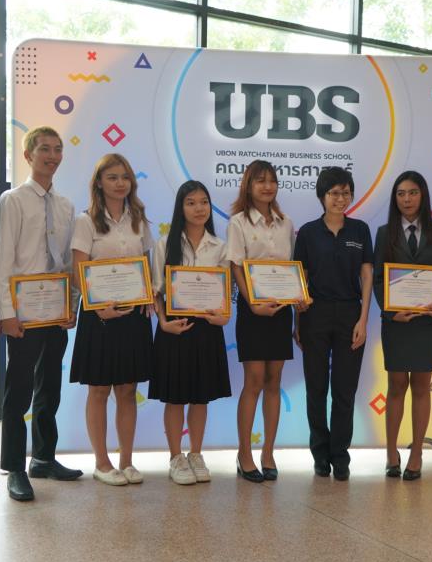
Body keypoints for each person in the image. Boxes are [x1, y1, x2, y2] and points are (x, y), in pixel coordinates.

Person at [0, 126, 82, 502]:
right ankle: (14, 467)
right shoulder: (13, 200)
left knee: (49, 387)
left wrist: (72, 304)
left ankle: (43, 458)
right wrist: (6, 312)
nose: (52, 155)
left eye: (58, 149)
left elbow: (69, 263)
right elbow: (3, 259)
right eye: (44, 149)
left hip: (55, 311)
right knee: (18, 391)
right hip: (23, 313)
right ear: (28, 155)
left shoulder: (65, 205)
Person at [70, 153, 154, 486]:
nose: (120, 183)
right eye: (112, 177)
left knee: (128, 389)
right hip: (99, 315)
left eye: (125, 177)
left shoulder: (139, 219)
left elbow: (145, 264)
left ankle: (127, 461)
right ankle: (102, 463)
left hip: (133, 314)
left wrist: (149, 296)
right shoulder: (86, 220)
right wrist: (96, 306)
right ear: (99, 183)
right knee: (99, 389)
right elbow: (78, 270)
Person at [371, 171, 432, 480]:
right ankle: (391, 452)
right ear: (395, 199)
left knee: (421, 387)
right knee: (396, 387)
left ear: (423, 196)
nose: (406, 199)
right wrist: (390, 312)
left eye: (412, 193)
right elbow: (378, 279)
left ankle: (417, 452)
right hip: (397, 323)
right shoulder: (384, 233)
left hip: (428, 323)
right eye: (401, 194)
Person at [149, 181, 232, 485]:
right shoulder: (164, 245)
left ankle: (196, 454)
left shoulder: (220, 247)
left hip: (207, 330)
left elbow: (225, 293)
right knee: (174, 398)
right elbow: (156, 291)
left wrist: (222, 316)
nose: (199, 208)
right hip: (174, 329)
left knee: (200, 398)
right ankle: (175, 457)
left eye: (204, 202)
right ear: (180, 208)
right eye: (191, 202)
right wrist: (162, 322)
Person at [293, 167, 372, 481]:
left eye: (346, 193)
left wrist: (363, 319)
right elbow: (301, 279)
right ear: (322, 196)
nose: (341, 199)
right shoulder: (308, 232)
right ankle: (320, 454)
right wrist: (298, 321)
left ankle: (340, 455)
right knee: (316, 388)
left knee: (344, 389)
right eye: (334, 193)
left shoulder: (360, 230)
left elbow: (367, 276)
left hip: (351, 314)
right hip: (315, 314)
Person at [225, 160, 295, 483]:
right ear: (248, 186)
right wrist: (252, 303)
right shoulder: (238, 222)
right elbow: (236, 266)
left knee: (274, 381)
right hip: (252, 311)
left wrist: (296, 297)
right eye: (260, 181)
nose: (267, 187)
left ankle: (268, 452)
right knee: (253, 380)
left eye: (272, 181)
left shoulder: (286, 223)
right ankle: (244, 454)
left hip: (280, 310)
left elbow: (290, 268)